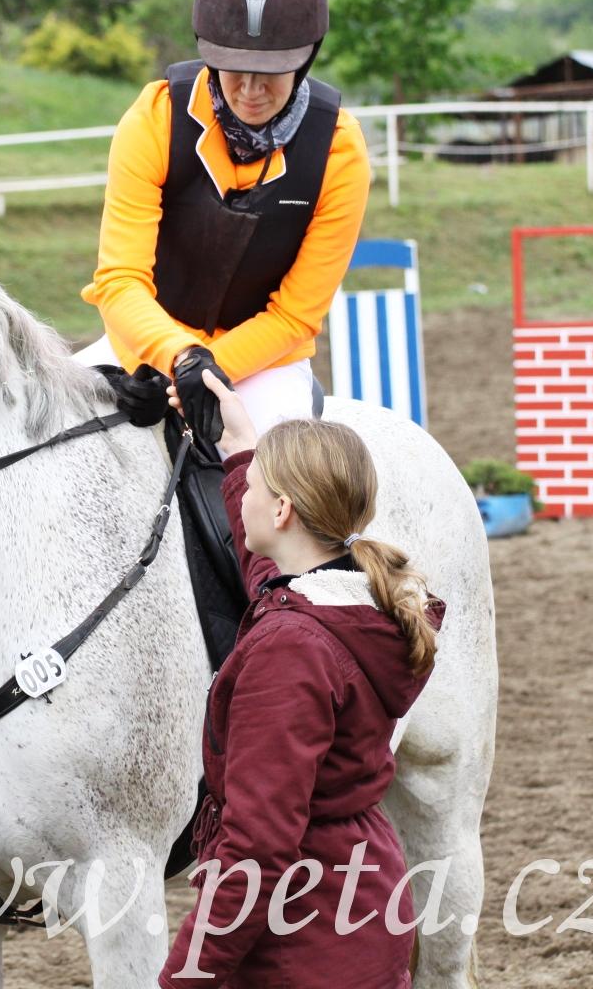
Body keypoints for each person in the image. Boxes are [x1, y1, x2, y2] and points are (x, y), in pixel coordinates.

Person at [158, 371, 443, 988]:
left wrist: (185, 977)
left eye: (256, 488)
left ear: (283, 510)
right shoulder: (351, 603)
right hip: (360, 914)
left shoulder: (291, 651)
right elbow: (266, 570)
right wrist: (242, 452)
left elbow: (256, 849)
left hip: (303, 941)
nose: (246, 499)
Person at [77, 0, 370, 446]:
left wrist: (202, 372)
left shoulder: (339, 152)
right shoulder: (155, 119)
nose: (251, 90)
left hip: (264, 367)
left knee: (272, 477)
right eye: (235, 68)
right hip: (144, 344)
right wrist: (173, 358)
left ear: (306, 59)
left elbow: (295, 315)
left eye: (272, 72)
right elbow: (121, 279)